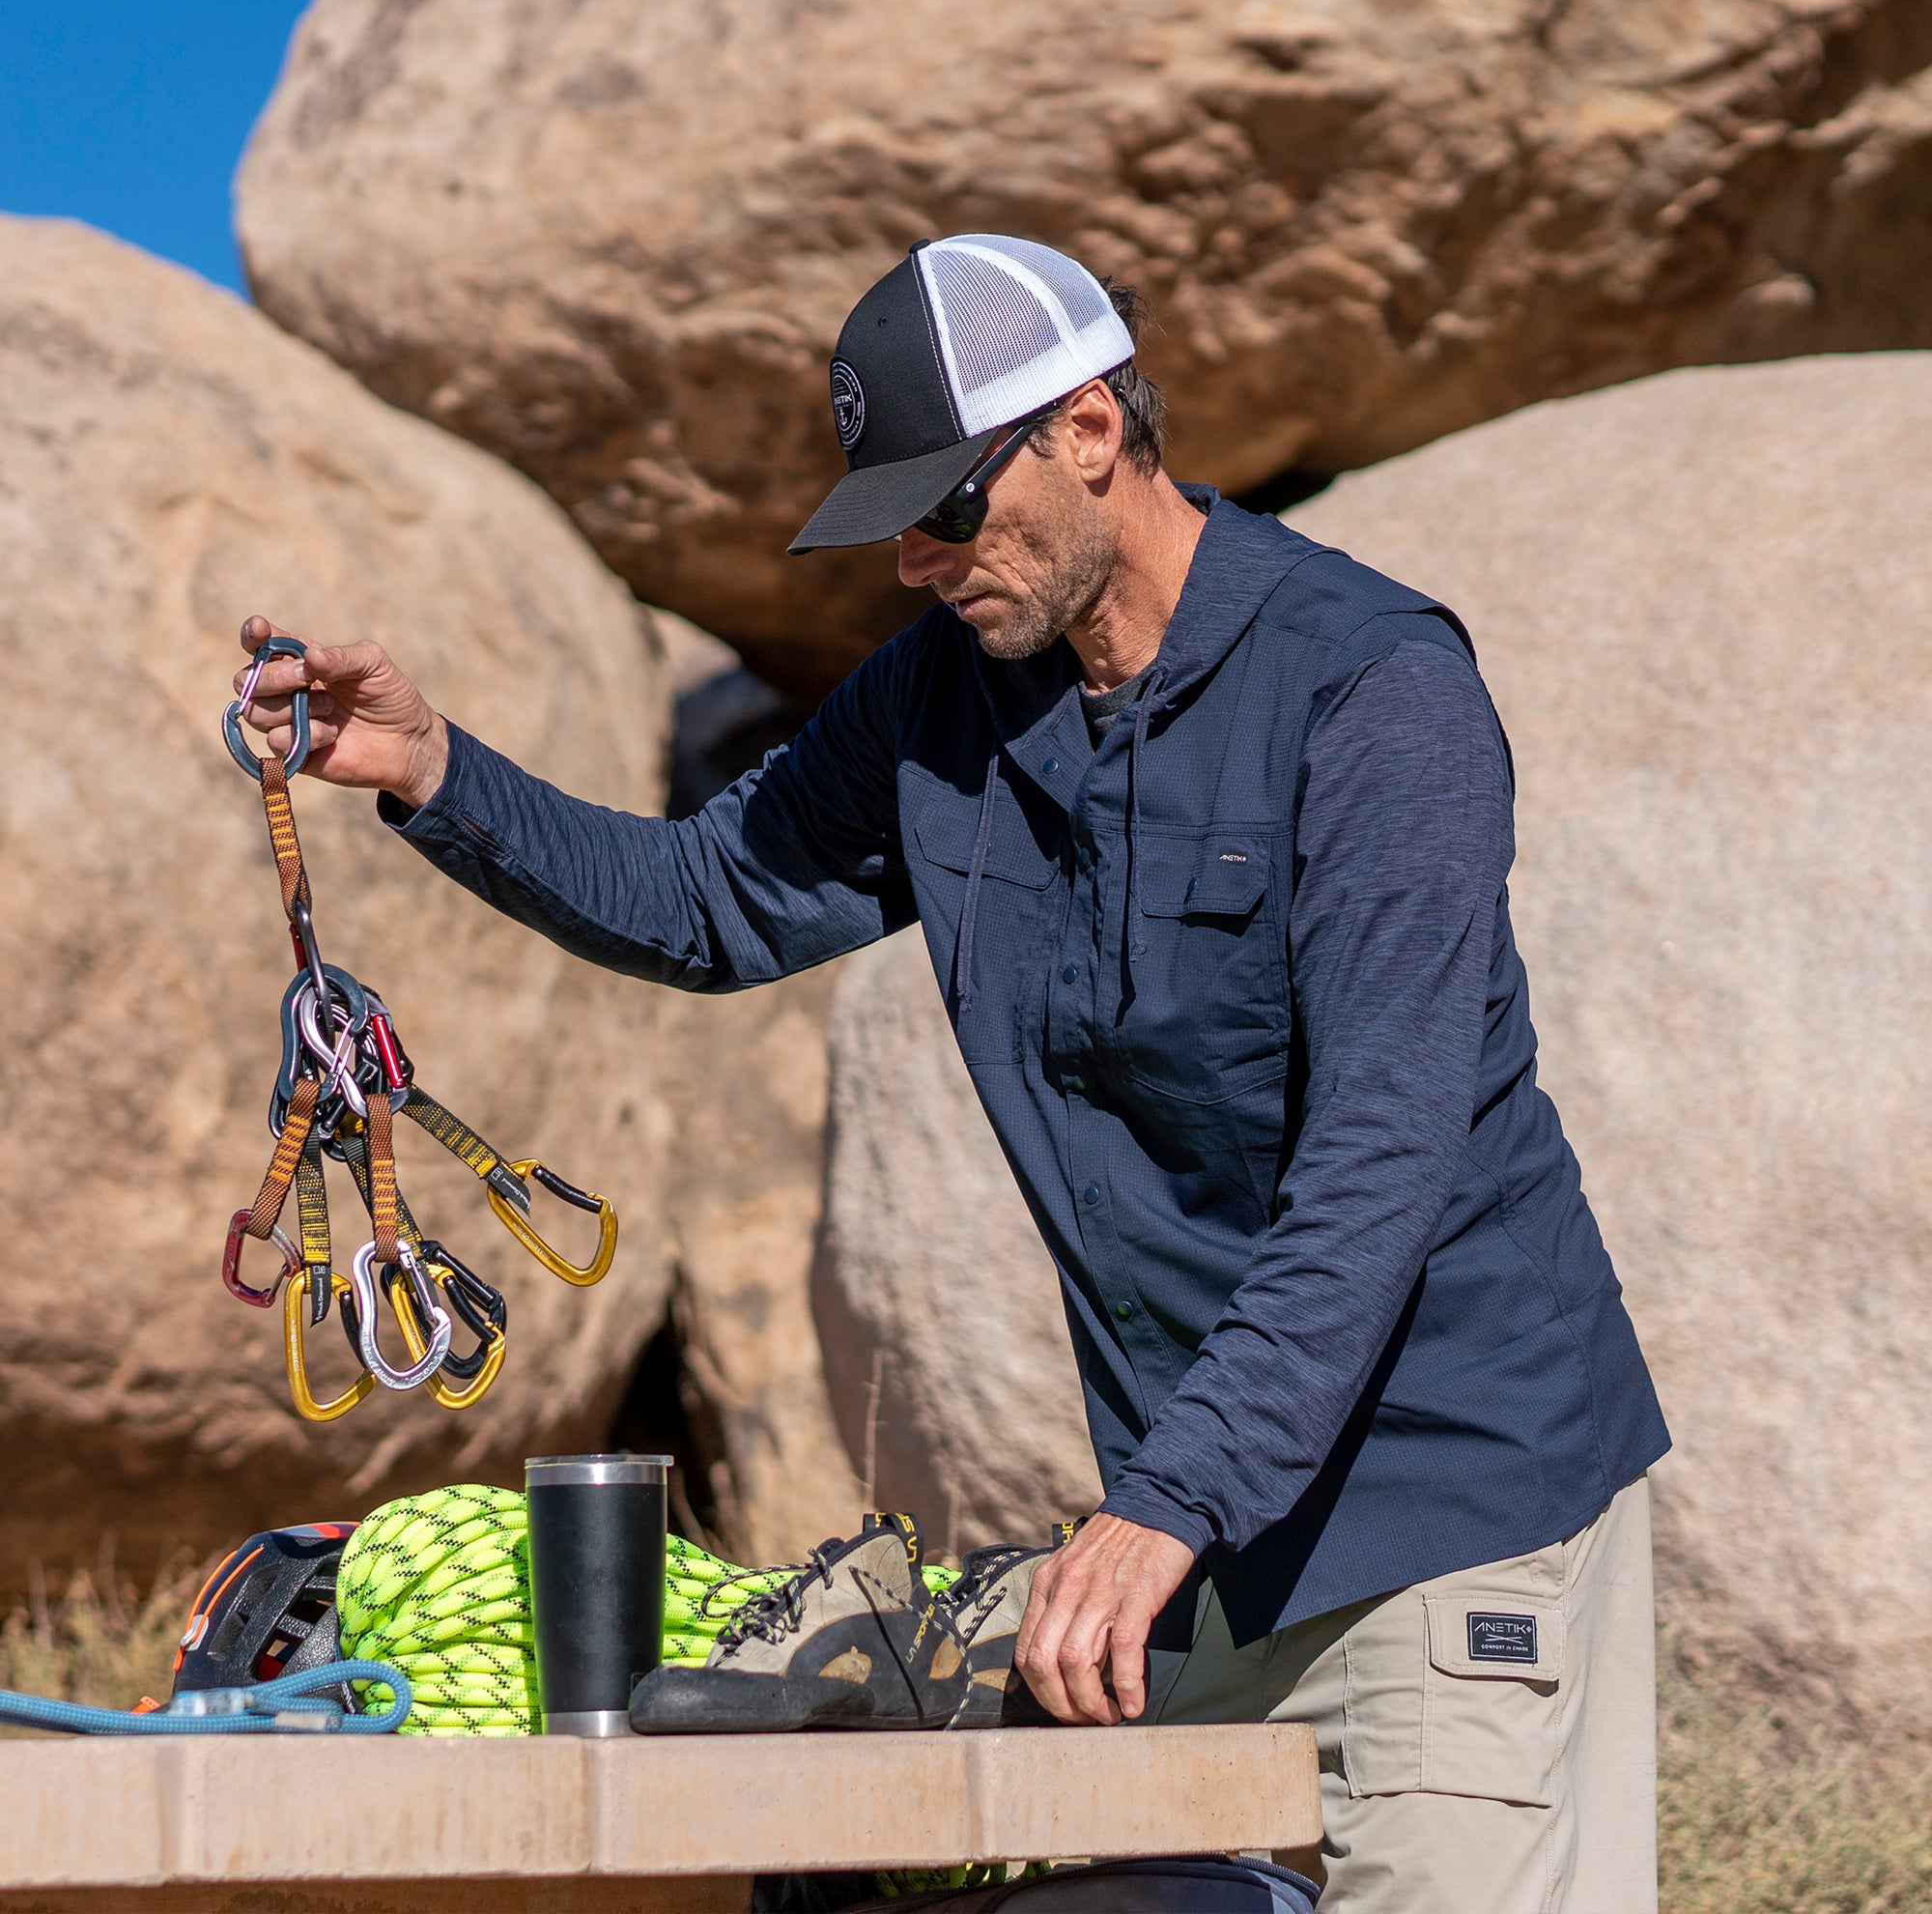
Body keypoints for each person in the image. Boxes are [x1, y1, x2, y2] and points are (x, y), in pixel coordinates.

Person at [236, 234, 1669, 1913]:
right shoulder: (947, 700)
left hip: (1452, 1510)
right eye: (892, 524)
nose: (916, 562)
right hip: (1210, 1552)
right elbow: (709, 899)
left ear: (1089, 428)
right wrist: (433, 769)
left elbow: (1380, 1161)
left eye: (947, 509)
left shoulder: (1372, 690)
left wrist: (1162, 1507)